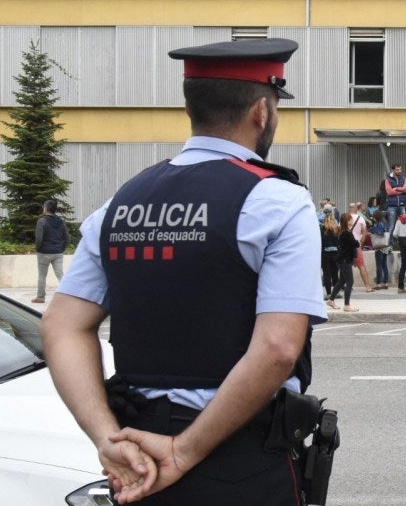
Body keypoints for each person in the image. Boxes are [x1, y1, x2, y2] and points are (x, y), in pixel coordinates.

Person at [39, 37, 328, 505]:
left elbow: (61, 325)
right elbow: (277, 347)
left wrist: (106, 439)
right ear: (261, 111)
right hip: (237, 457)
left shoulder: (120, 203)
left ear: (191, 108)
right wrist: (183, 451)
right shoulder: (279, 201)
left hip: (136, 457)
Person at [32, 199, 70, 303]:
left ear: (46, 208)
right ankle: (68, 296)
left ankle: (40, 297)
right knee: (60, 275)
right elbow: (67, 238)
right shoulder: (61, 221)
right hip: (58, 252)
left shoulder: (41, 221)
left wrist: (38, 248)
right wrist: (62, 248)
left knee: (42, 276)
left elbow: (39, 239)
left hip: (44, 252)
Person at [327, 212, 360, 312]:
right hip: (345, 260)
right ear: (346, 221)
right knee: (350, 282)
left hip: (342, 260)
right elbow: (355, 244)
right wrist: (357, 240)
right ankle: (347, 305)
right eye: (350, 219)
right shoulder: (347, 233)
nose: (352, 220)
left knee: (342, 281)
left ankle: (331, 300)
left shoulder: (343, 232)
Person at [348, 202, 374, 292]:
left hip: (346, 246)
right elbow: (364, 233)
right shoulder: (361, 218)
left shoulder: (344, 218)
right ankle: (367, 286)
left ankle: (347, 286)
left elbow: (340, 232)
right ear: (355, 208)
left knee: (346, 267)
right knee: (361, 266)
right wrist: (361, 244)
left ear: (349, 208)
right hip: (356, 245)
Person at [320, 213, 341, 299]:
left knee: (326, 274)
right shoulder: (337, 229)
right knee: (335, 274)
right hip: (335, 253)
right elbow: (339, 242)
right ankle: (335, 293)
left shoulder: (322, 229)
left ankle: (328, 293)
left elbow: (320, 242)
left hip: (325, 254)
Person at [385, 163, 406, 231]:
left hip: (403, 204)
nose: (399, 171)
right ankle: (390, 241)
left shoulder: (403, 178)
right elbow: (389, 192)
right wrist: (402, 190)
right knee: (391, 225)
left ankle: (403, 241)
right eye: (397, 170)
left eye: (400, 169)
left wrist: (396, 188)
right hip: (392, 205)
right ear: (393, 170)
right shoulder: (388, 179)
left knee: (404, 224)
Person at [369, 210, 390, 290]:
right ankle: (385, 283)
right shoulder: (386, 223)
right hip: (386, 246)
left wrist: (372, 228)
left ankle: (378, 283)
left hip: (379, 247)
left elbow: (379, 232)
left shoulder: (378, 224)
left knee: (379, 265)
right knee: (384, 265)